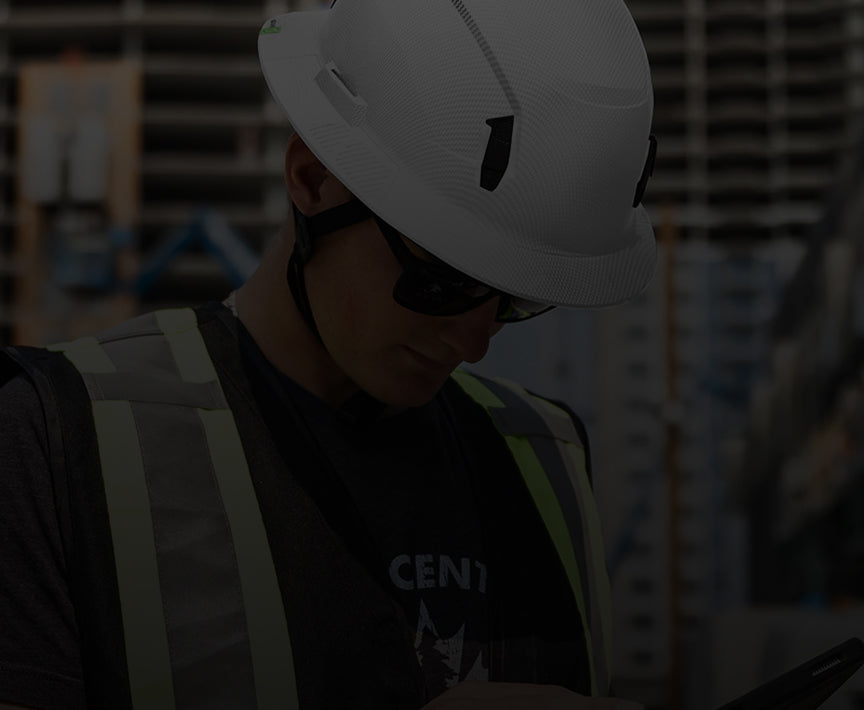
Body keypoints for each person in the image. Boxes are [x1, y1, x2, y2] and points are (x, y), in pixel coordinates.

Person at [0, 0, 658, 707]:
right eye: (441, 281)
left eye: (516, 299)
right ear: (313, 181)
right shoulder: (54, 438)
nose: (474, 341)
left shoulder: (547, 457)